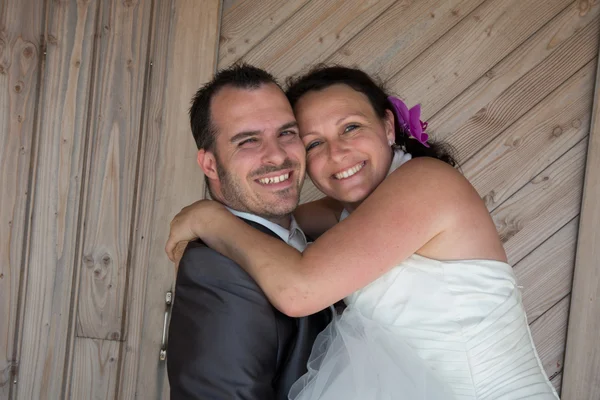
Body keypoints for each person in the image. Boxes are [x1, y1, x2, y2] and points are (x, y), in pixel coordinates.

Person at [167, 66, 559, 399]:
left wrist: (208, 218)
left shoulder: (426, 183)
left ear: (388, 126)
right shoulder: (349, 212)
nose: (337, 154)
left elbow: (299, 290)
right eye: (314, 142)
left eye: (351, 127)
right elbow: (279, 224)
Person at [166, 64, 331, 400]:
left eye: (286, 133)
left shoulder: (316, 238)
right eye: (249, 141)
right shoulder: (214, 270)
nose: (277, 155)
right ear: (210, 164)